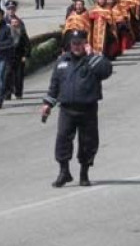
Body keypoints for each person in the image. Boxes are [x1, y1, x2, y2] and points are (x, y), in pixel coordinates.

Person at [41, 30, 113, 188]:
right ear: (69, 45)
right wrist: (47, 104)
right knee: (62, 140)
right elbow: (54, 86)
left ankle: (84, 173)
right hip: (67, 108)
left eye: (80, 43)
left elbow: (107, 71)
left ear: (85, 44)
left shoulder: (92, 60)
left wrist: (92, 55)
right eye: (74, 43)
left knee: (88, 142)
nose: (77, 46)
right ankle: (64, 172)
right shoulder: (61, 62)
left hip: (87, 108)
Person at [7, 11, 32, 100]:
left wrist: (26, 55)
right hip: (9, 57)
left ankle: (18, 93)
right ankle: (8, 93)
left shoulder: (22, 33)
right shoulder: (7, 33)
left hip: (19, 57)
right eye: (13, 23)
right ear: (10, 24)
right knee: (8, 75)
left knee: (19, 76)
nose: (15, 24)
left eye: (16, 23)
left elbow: (28, 45)